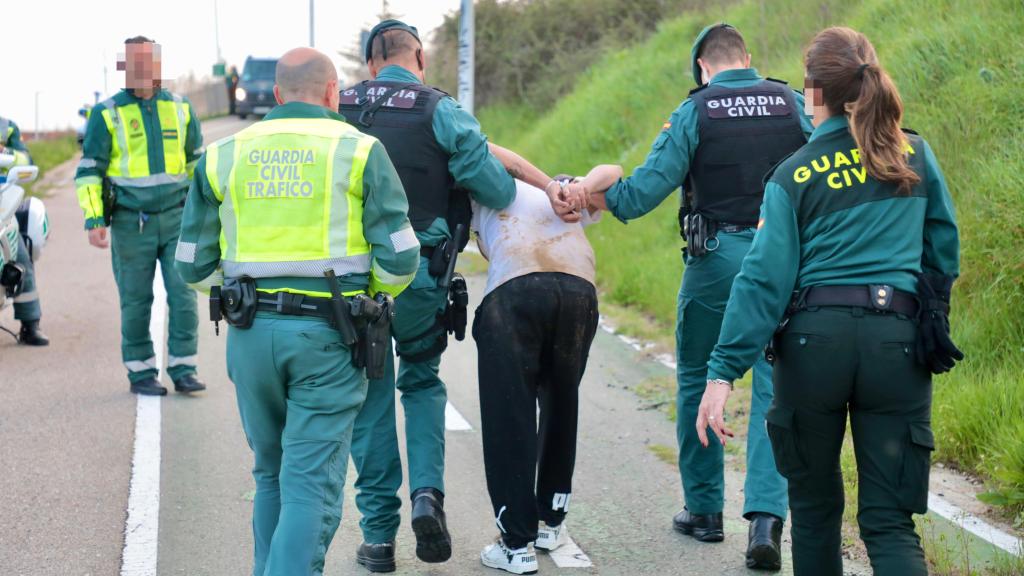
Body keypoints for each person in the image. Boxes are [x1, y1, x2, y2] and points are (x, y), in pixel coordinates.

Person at [695, 26, 960, 576]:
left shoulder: (792, 174)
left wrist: (721, 374)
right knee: (889, 523)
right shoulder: (916, 155)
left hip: (814, 347)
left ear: (813, 93)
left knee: (815, 514)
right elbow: (943, 252)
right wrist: (926, 319)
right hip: (898, 344)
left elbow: (763, 282)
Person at [337, 19, 582, 572]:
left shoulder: (340, 108)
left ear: (370, 62)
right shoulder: (439, 109)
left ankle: (378, 538)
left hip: (352, 285)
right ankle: (428, 496)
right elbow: (495, 189)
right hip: (421, 279)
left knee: (370, 395)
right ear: (418, 58)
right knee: (421, 382)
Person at [174, 47, 420, 576]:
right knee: (308, 481)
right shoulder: (359, 150)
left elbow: (191, 264)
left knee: (271, 473)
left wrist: (239, 291)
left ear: (278, 95)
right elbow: (401, 255)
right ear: (334, 93)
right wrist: (366, 295)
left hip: (249, 335)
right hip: (329, 337)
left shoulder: (223, 154)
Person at [588, 23, 812, 570]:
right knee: (773, 385)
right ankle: (765, 521)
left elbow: (643, 192)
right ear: (748, 58)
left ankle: (705, 512)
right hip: (784, 263)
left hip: (715, 263)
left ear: (704, 69)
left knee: (698, 375)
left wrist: (595, 193)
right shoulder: (794, 103)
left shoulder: (696, 111)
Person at [472, 165, 618, 575]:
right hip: (578, 293)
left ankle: (517, 544)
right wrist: (583, 185)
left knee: (510, 415)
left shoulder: (481, 191)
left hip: (516, 290)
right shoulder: (566, 192)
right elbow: (615, 171)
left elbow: (488, 151)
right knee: (561, 404)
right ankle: (551, 522)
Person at [75, 36, 205, 395]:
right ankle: (141, 372)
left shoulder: (181, 108)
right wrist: (94, 219)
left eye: (148, 62)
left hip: (178, 219)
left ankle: (184, 368)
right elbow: (89, 170)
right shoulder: (107, 113)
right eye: (134, 62)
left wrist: (206, 213)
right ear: (124, 68)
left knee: (184, 296)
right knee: (136, 300)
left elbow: (197, 165)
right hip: (132, 222)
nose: (142, 69)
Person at [0, 115, 48, 345]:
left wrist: (5, 154)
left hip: (2, 203)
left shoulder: (5, 127)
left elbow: (25, 158)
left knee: (20, 258)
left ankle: (30, 324)